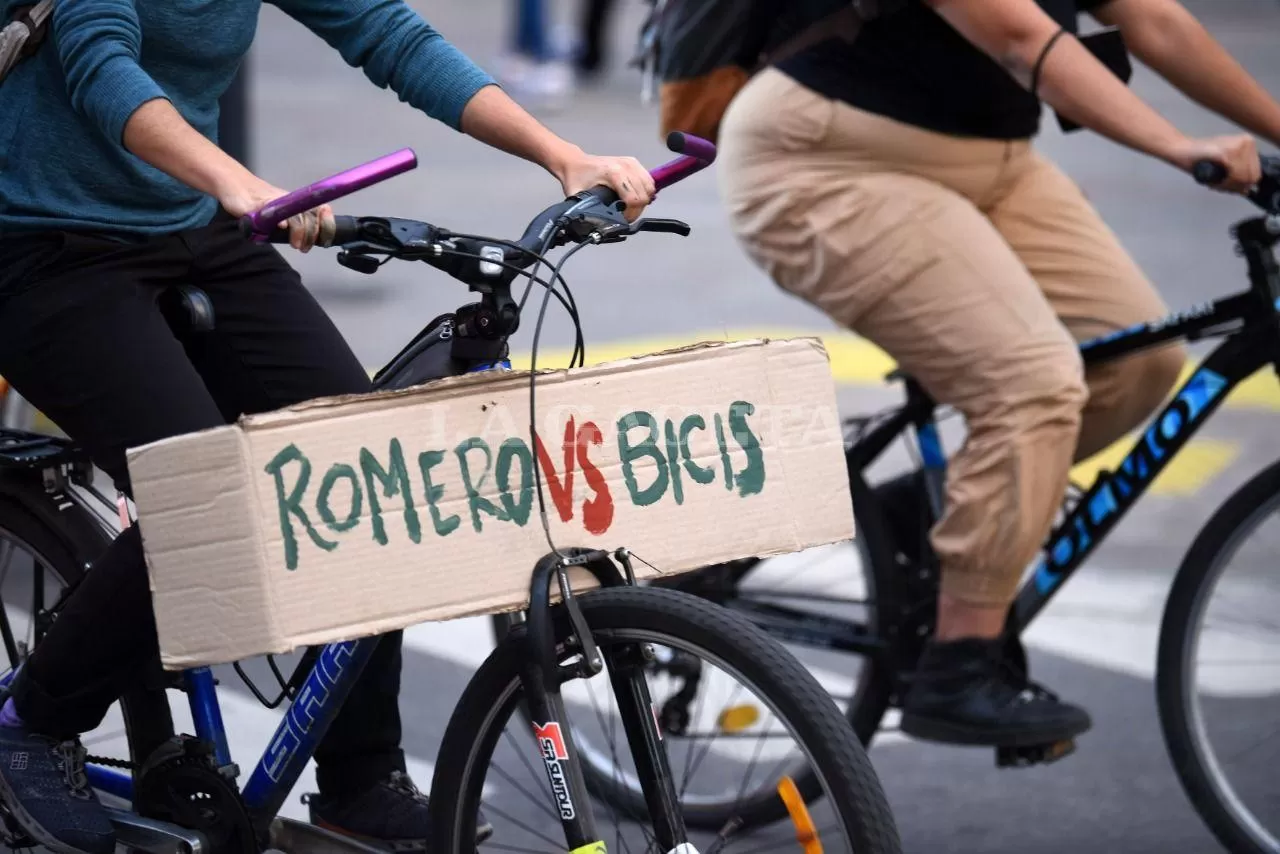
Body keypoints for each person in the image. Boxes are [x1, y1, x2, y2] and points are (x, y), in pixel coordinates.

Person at [0, 1, 655, 852]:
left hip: (191, 222)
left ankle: (360, 774)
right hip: (48, 246)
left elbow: (387, 34)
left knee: (362, 463)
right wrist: (232, 180)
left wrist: (561, 155)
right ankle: (33, 721)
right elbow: (100, 65)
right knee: (210, 500)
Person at [718, 0, 1279, 748]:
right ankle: (960, 663)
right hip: (826, 156)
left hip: (994, 159)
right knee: (1030, 383)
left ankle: (915, 514)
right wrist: (1181, 148)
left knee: (1139, 361)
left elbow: (1160, 23)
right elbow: (1022, 39)